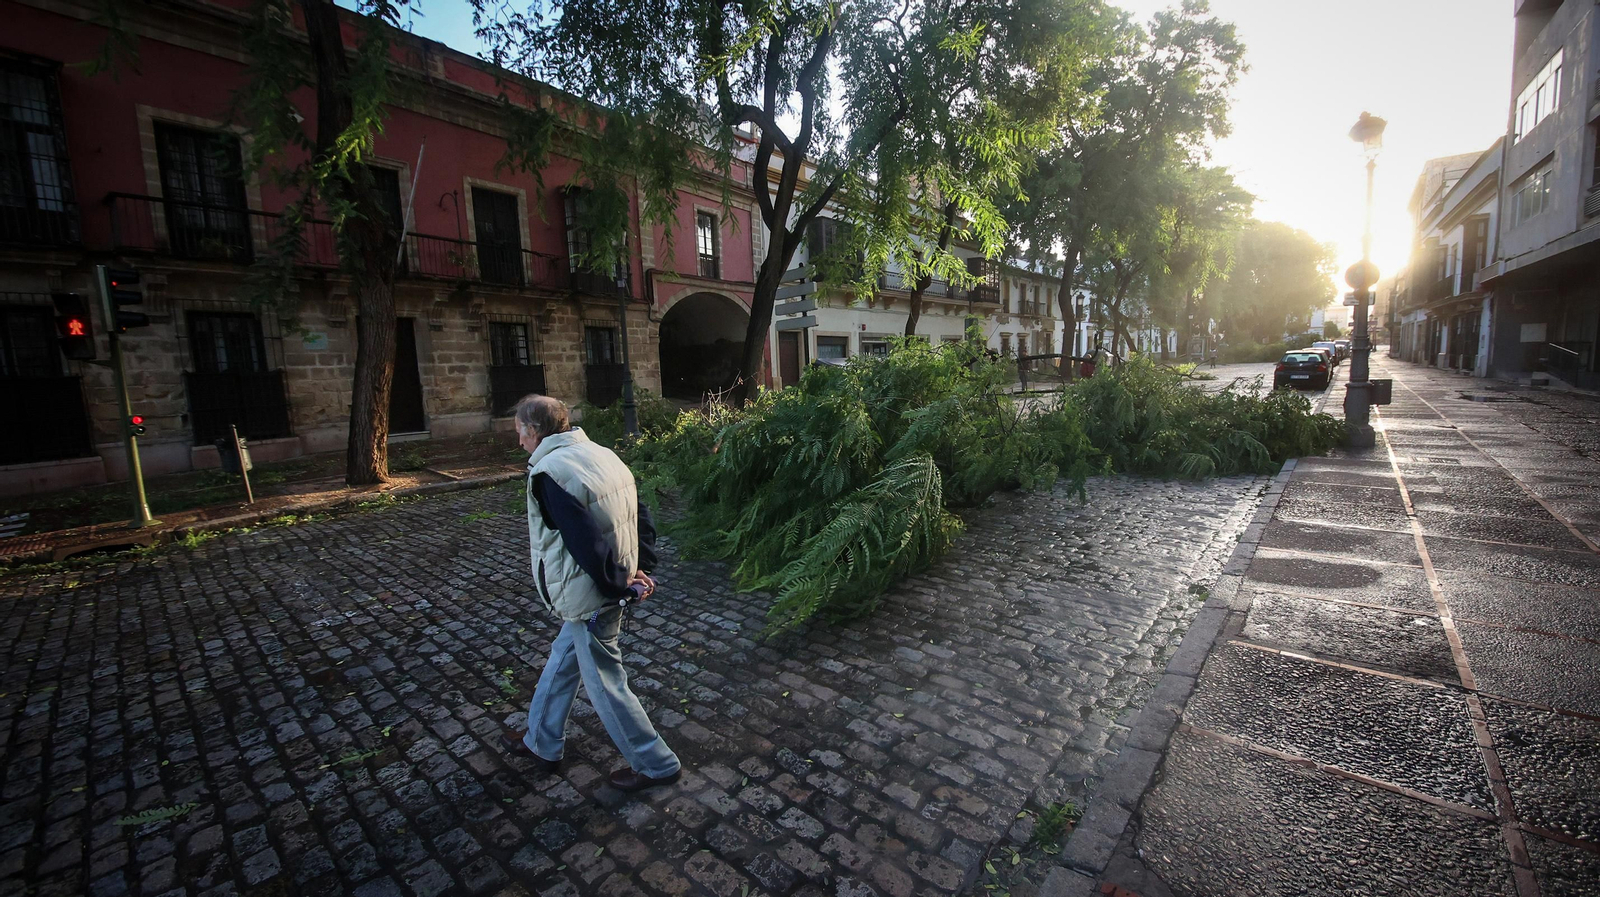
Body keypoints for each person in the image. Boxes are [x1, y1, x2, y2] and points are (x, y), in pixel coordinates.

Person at [498, 394, 682, 792]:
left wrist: (620, 585)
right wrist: (641, 565)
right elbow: (640, 510)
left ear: (534, 431)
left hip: (592, 593)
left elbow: (583, 539)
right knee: (563, 660)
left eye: (520, 433)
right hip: (604, 585)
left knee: (605, 680)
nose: (519, 442)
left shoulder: (549, 471)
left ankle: (656, 764)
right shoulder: (600, 452)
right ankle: (541, 742)